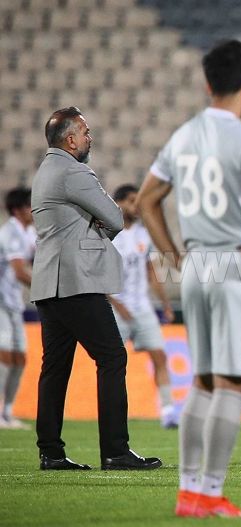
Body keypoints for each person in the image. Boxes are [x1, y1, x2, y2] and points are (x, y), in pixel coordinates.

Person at [137, 39, 241, 519]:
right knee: (231, 382)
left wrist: (174, 255)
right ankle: (212, 493)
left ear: (205, 83)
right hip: (233, 266)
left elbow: (145, 199)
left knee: (200, 381)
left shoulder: (183, 136)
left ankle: (188, 492)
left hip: (196, 266)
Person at [31, 106, 162, 471]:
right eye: (86, 132)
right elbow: (117, 217)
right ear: (70, 139)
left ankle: (51, 452)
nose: (90, 137)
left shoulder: (45, 171)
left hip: (48, 283)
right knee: (112, 357)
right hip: (77, 282)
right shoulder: (74, 171)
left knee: (54, 368)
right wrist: (96, 228)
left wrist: (87, 225)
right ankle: (115, 451)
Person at [109, 184, 177, 429]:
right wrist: (115, 302)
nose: (136, 207)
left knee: (159, 355)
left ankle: (168, 411)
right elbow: (96, 273)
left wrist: (165, 303)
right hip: (116, 308)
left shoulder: (143, 233)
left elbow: (151, 272)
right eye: (131, 201)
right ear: (118, 203)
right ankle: (115, 413)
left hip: (142, 306)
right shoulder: (108, 233)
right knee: (114, 363)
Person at [0, 187, 36, 430]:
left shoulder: (30, 232)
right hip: (0, 301)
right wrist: (49, 288)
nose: (32, 210)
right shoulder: (10, 231)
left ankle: (8, 412)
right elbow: (19, 270)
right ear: (17, 209)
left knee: (20, 358)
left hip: (14, 303)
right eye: (28, 206)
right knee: (5, 355)